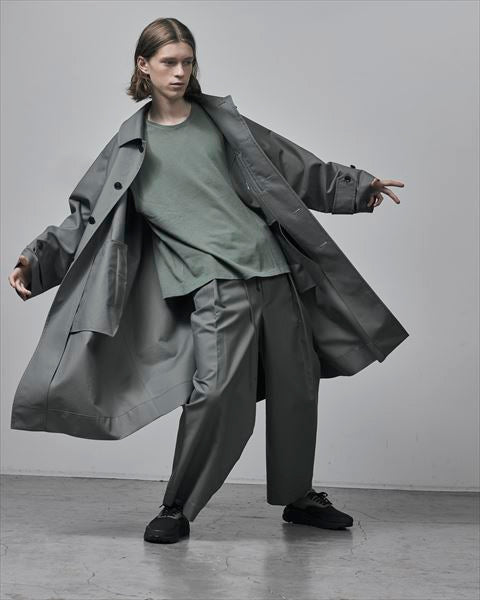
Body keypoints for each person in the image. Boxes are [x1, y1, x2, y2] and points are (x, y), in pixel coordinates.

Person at [8, 18, 403, 545]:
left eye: (187, 61)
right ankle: (177, 506)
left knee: (297, 387)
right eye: (168, 62)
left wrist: (357, 187)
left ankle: (299, 496)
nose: (179, 72)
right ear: (143, 66)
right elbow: (84, 217)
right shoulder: (129, 147)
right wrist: (35, 260)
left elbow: (291, 165)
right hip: (212, 284)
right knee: (216, 393)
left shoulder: (222, 123)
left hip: (275, 270)